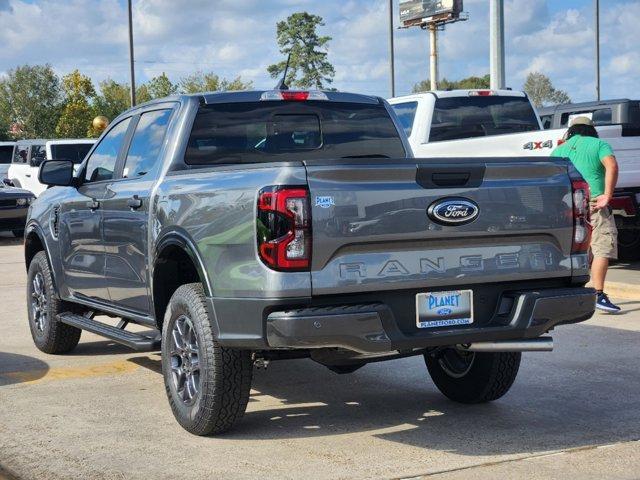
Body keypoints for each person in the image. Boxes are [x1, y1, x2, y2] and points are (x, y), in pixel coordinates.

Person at [551, 116, 620, 312]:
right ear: (591, 130)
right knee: (601, 246)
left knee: (573, 249)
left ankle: (566, 294)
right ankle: (598, 294)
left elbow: (552, 177)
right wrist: (607, 195)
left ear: (571, 130)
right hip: (593, 203)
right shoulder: (599, 144)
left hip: (568, 206)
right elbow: (612, 166)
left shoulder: (559, 149)